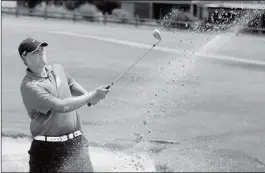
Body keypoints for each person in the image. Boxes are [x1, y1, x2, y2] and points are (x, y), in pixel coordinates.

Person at [18, 38, 110, 172]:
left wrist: (88, 97)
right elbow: (62, 106)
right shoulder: (29, 86)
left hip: (75, 144)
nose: (41, 52)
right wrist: (91, 95)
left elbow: (71, 84)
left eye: (42, 49)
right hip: (47, 150)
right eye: (35, 51)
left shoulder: (57, 68)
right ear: (24, 57)